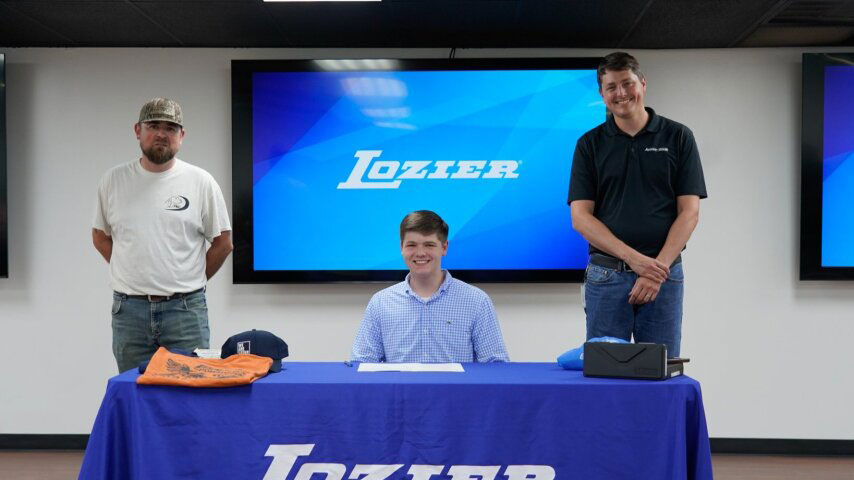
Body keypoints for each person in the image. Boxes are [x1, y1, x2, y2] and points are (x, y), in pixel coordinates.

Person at [568, 52, 707, 357]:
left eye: (627, 83)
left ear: (643, 83)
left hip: (664, 275)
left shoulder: (678, 136)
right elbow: (581, 218)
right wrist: (636, 261)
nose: (621, 93)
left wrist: (655, 270)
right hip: (607, 276)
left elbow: (689, 212)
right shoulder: (589, 144)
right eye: (611, 87)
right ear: (602, 94)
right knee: (605, 373)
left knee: (659, 369)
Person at [92, 97, 233, 372]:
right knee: (135, 389)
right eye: (153, 126)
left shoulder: (200, 182)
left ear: (182, 135)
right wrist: (130, 269)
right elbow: (99, 236)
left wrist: (189, 277)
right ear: (138, 131)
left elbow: (223, 243)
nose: (161, 134)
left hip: (185, 311)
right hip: (130, 312)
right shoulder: (113, 181)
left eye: (170, 128)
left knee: (190, 390)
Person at [351, 210, 509, 363]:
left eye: (429, 245)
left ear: (444, 247)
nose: (420, 253)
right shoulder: (380, 302)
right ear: (401, 248)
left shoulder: (477, 301)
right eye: (411, 245)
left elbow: (496, 364)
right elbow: (362, 363)